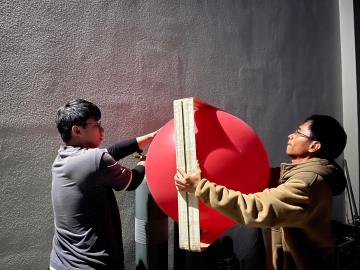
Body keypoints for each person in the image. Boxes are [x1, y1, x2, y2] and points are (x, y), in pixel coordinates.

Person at [175, 115, 347, 270]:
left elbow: (257, 209)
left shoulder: (307, 184)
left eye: (298, 132)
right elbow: (259, 177)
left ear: (314, 146)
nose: (291, 135)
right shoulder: (295, 175)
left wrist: (201, 187)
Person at [50, 99, 158, 270]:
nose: (102, 129)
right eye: (96, 125)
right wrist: (149, 159)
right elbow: (131, 182)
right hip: (91, 264)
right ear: (77, 130)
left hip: (61, 262)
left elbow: (112, 152)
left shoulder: (64, 156)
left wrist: (149, 138)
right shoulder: (94, 159)